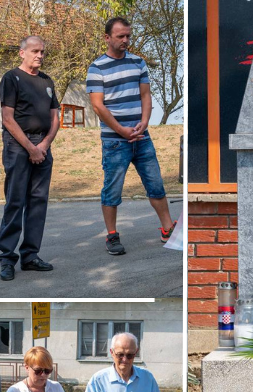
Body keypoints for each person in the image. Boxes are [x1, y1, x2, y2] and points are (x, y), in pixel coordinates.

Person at [85, 16, 176, 256]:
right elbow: (98, 106)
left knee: (156, 184)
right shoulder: (97, 68)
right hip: (115, 141)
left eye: (128, 36)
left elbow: (145, 96)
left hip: (142, 136)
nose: (126, 40)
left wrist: (144, 123)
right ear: (107, 38)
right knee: (112, 189)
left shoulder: (138, 62)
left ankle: (168, 229)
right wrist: (122, 130)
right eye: (120, 36)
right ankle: (112, 235)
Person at [0, 35, 59, 282]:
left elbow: (55, 118)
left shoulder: (47, 81)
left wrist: (43, 144)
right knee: (15, 202)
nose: (40, 55)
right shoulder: (11, 78)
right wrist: (30, 148)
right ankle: (7, 258)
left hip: (43, 145)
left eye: (42, 51)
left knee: (38, 202)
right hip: (18, 146)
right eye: (35, 51)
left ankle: (31, 256)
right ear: (22, 53)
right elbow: (7, 118)